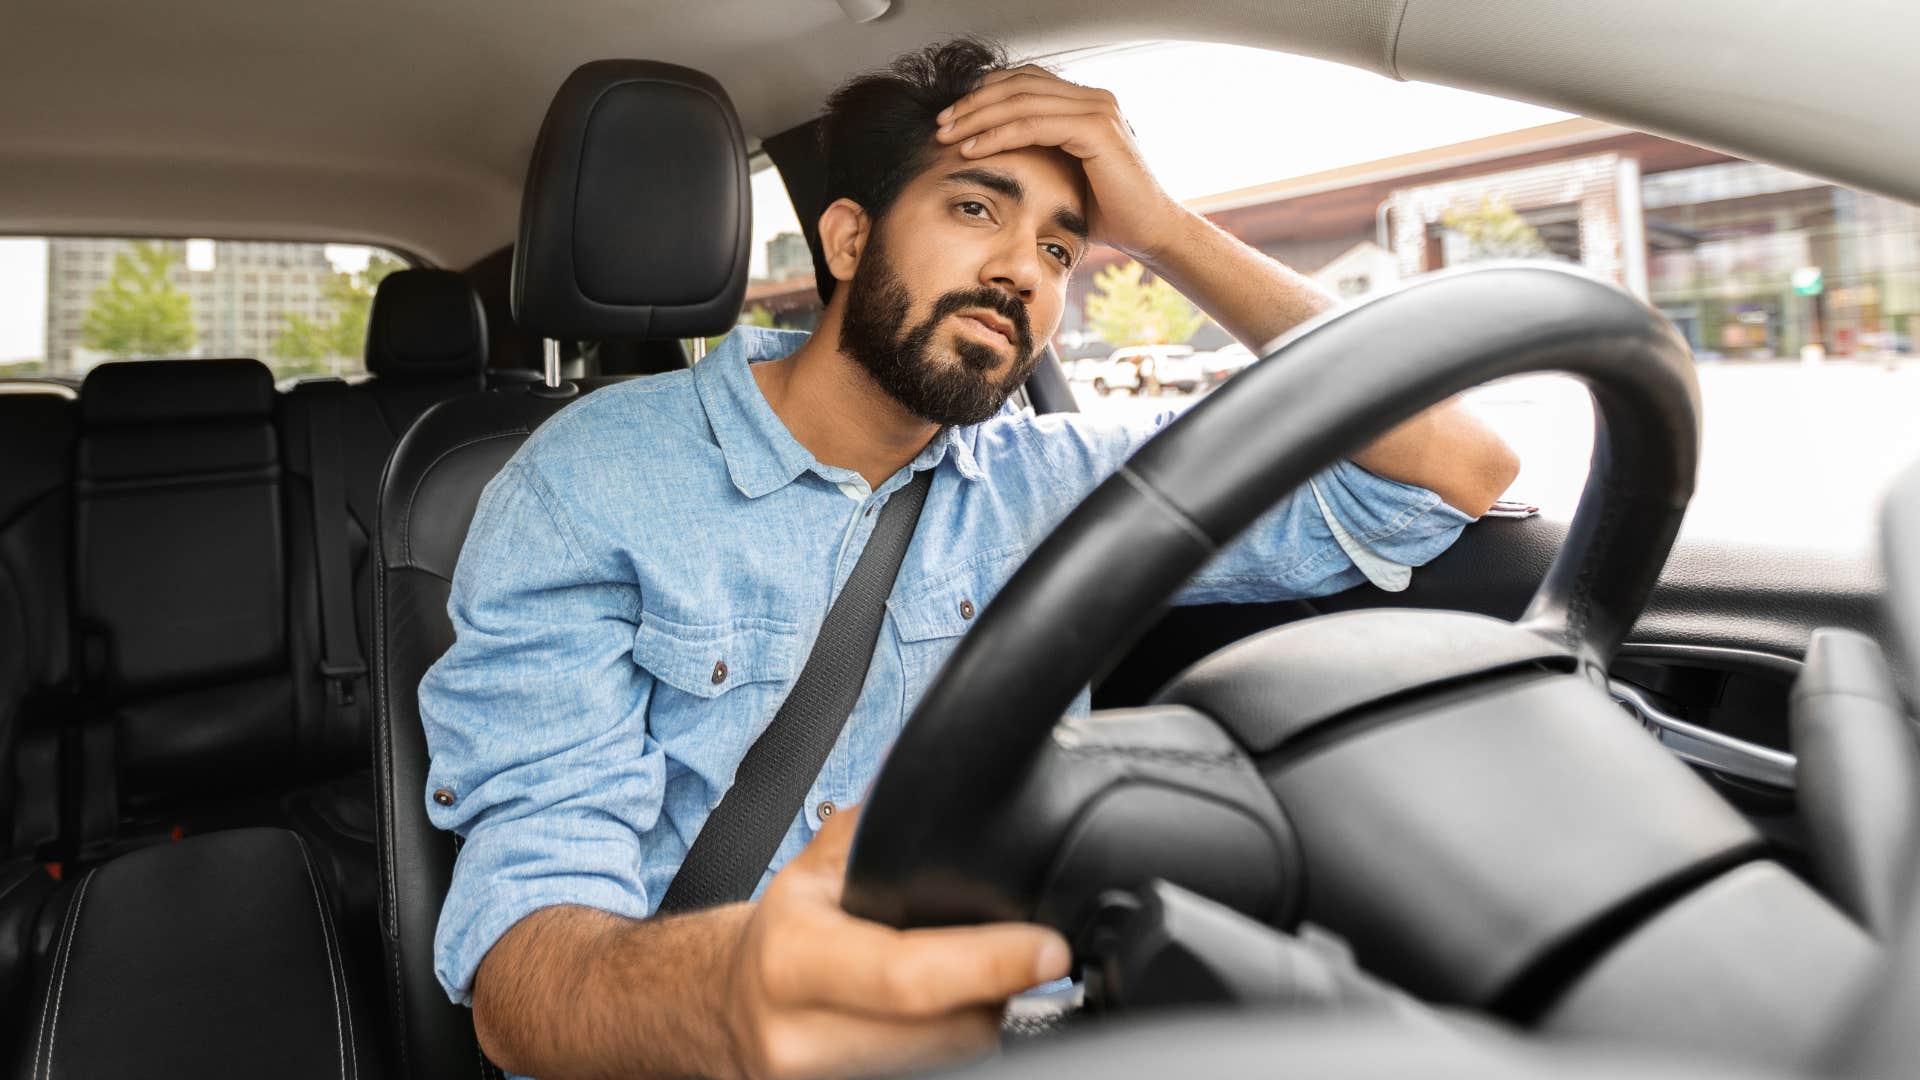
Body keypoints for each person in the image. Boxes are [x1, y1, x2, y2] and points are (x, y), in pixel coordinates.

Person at [420, 38, 1520, 1080]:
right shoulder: (588, 483)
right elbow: (525, 972)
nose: (1020, 272)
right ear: (848, 242)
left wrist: (1168, 231)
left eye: (1058, 247)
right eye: (974, 208)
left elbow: (1451, 469)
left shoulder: (1058, 482)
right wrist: (729, 992)